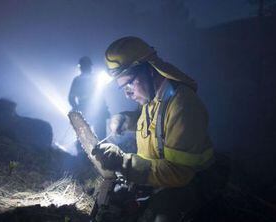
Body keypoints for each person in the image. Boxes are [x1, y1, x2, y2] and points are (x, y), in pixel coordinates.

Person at [93, 37, 227, 222]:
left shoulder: (183, 106)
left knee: (159, 217)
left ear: (149, 69)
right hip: (158, 178)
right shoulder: (154, 95)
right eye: (122, 88)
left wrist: (123, 163)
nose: (127, 93)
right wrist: (125, 119)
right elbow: (147, 117)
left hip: (191, 184)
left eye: (129, 84)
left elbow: (178, 174)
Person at [69, 56, 109, 139]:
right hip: (94, 110)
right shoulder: (92, 79)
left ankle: (93, 150)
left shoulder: (78, 80)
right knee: (91, 136)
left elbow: (71, 97)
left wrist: (76, 107)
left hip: (92, 110)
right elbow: (71, 97)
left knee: (87, 136)